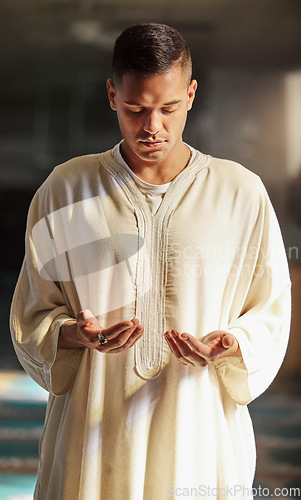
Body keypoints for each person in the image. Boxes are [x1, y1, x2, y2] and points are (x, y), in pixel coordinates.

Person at [10, 23, 291, 500]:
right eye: (136, 108)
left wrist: (233, 343)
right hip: (92, 439)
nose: (152, 127)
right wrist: (75, 333)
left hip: (199, 435)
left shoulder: (240, 193)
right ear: (112, 94)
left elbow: (271, 311)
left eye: (169, 108)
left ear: (192, 93)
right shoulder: (65, 191)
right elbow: (33, 312)